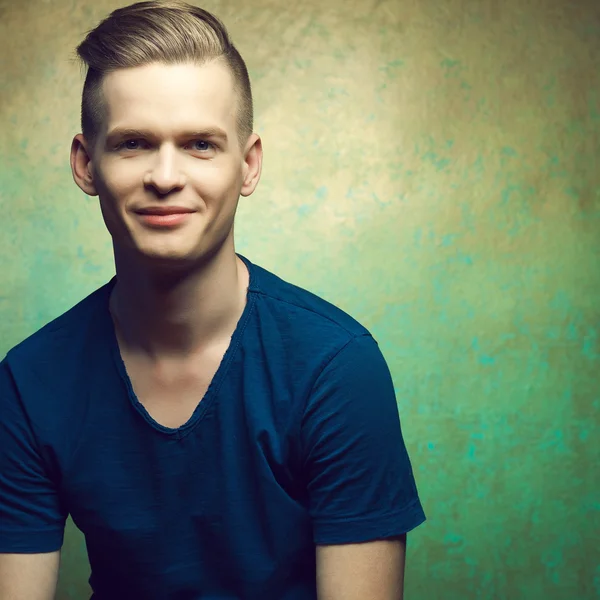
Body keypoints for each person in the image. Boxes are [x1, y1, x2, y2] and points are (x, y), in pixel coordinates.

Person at [0, 1, 426, 598]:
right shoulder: (28, 381)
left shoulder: (335, 367)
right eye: (133, 144)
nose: (166, 176)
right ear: (85, 163)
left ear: (247, 165)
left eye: (200, 143)